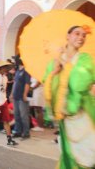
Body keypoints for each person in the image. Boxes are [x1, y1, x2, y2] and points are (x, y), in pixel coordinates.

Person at [43, 25, 95, 168]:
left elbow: (81, 82)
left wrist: (67, 65)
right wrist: (54, 72)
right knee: (71, 154)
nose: (81, 38)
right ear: (68, 36)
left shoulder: (85, 59)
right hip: (66, 117)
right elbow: (48, 84)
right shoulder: (56, 61)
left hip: (84, 113)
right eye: (77, 34)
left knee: (89, 154)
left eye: (84, 35)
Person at [10, 58, 31, 139]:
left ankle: (26, 133)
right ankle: (18, 131)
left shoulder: (26, 71)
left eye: (15, 60)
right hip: (16, 96)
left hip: (22, 97)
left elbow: (27, 84)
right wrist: (11, 94)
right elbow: (15, 83)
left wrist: (25, 94)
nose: (14, 62)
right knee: (17, 115)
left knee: (23, 115)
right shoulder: (18, 71)